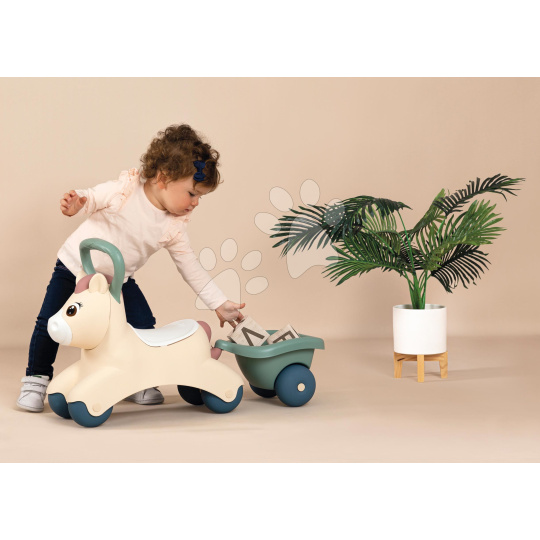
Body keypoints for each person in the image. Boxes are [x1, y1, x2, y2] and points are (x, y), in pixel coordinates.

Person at [17, 124, 245, 412]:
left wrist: (219, 303)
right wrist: (78, 203)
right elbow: (92, 197)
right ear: (163, 177)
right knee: (50, 321)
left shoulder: (174, 226)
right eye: (191, 193)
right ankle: (36, 380)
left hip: (117, 281)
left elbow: (191, 267)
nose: (195, 203)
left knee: (143, 323)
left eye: (200, 197)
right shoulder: (125, 190)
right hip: (74, 267)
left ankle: (136, 378)